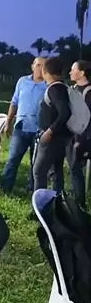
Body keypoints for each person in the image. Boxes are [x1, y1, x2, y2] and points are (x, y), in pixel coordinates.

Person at [0, 57, 47, 193]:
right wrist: (8, 122)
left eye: (44, 66)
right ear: (33, 66)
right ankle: (5, 188)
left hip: (39, 130)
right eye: (38, 65)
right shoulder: (22, 81)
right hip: (21, 127)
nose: (41, 69)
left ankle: (33, 190)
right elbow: (14, 102)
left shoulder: (48, 85)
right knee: (13, 159)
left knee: (35, 163)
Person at [33, 56, 71, 192]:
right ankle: (57, 201)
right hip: (61, 138)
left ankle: (40, 203)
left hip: (52, 139)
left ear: (45, 71)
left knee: (39, 172)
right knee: (55, 172)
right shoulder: (63, 87)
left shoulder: (55, 89)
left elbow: (64, 112)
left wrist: (50, 131)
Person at [67, 60, 91, 207]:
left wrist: (80, 140)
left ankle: (80, 203)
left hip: (82, 138)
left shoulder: (88, 93)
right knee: (72, 169)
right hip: (70, 136)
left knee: (76, 169)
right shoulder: (73, 89)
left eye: (73, 69)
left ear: (82, 73)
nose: (70, 72)